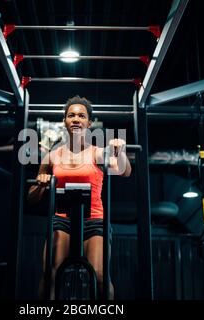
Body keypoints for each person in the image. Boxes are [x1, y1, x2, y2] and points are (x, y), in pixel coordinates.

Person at [28, 95, 131, 300]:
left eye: (81, 116)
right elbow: (32, 198)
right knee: (50, 274)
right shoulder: (52, 156)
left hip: (94, 220)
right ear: (64, 121)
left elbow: (123, 171)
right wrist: (41, 183)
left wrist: (121, 152)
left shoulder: (98, 153)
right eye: (71, 115)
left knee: (100, 276)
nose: (76, 119)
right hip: (62, 220)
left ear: (89, 123)